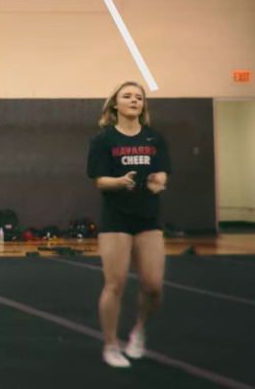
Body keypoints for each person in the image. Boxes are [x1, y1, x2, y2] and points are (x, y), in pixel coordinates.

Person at [88, 81, 168, 368]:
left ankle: (139, 330)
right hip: (116, 218)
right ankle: (110, 344)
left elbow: (162, 172)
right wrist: (120, 182)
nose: (134, 100)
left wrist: (159, 181)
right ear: (115, 105)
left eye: (139, 97)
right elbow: (99, 180)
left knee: (153, 286)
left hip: (148, 217)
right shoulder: (103, 141)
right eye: (127, 96)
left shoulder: (154, 139)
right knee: (115, 283)